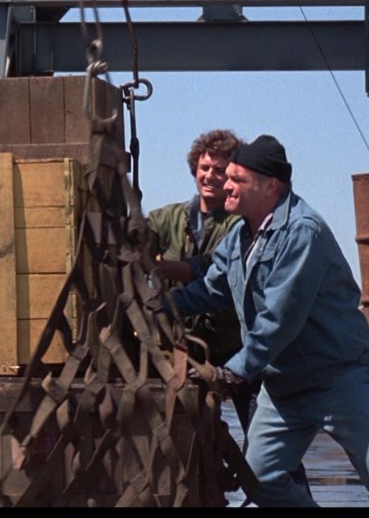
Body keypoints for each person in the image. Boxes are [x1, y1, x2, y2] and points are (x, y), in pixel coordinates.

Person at [169, 134, 369, 507]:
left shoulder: (303, 233)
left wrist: (234, 371)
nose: (225, 184)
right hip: (284, 386)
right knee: (258, 480)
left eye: (236, 178)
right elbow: (209, 291)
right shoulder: (240, 237)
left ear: (270, 186)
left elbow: (280, 319)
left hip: (339, 380)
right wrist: (159, 306)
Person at [147, 129, 311, 501]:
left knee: (266, 438)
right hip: (188, 350)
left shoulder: (241, 223)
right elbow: (139, 236)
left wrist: (172, 268)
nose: (211, 176)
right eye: (205, 168)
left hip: (236, 349)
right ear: (194, 169)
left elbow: (209, 272)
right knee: (186, 434)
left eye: (222, 171)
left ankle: (285, 490)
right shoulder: (170, 217)